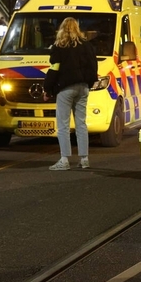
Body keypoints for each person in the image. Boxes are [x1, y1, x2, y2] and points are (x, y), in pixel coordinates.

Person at [44, 17, 98, 170]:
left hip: (66, 88)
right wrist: (89, 82)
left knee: (63, 125)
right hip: (83, 88)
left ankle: (64, 160)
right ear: (77, 28)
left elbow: (54, 70)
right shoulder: (86, 46)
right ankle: (84, 159)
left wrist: (47, 89)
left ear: (61, 29)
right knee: (81, 123)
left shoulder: (59, 47)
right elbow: (93, 67)